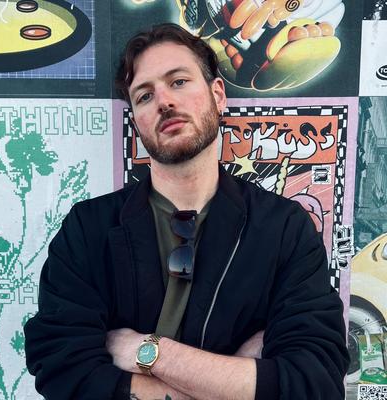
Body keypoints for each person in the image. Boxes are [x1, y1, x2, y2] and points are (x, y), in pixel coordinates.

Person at [24, 23, 350, 400]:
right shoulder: (89, 228)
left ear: (218, 95)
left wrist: (147, 352)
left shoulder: (283, 229)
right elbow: (62, 368)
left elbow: (315, 379)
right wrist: (234, 380)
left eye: (178, 82)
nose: (164, 101)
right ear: (137, 121)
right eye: (144, 96)